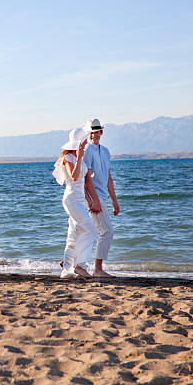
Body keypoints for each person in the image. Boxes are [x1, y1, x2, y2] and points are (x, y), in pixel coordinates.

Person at [53, 127, 98, 279]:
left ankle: (67, 269)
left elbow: (84, 182)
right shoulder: (69, 158)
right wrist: (79, 158)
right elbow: (73, 176)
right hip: (72, 199)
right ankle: (81, 265)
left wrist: (91, 201)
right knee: (91, 230)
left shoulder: (79, 157)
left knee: (74, 233)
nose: (87, 142)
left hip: (80, 200)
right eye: (85, 140)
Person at [82, 118, 120, 277]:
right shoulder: (87, 151)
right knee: (107, 231)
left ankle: (70, 262)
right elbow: (85, 178)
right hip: (93, 196)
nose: (94, 135)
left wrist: (114, 200)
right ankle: (98, 269)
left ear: (101, 132)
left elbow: (108, 177)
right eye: (91, 132)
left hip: (103, 196)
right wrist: (92, 200)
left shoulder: (105, 151)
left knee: (86, 231)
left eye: (96, 132)